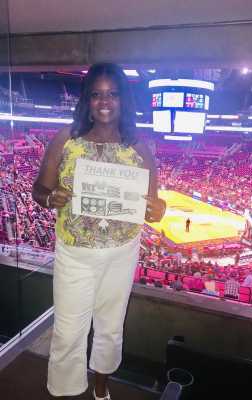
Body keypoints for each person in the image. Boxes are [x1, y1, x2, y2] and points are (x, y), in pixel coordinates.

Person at [32, 63, 166, 400]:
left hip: (122, 252)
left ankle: (101, 388)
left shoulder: (139, 148)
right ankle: (65, 392)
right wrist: (51, 198)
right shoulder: (67, 140)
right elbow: (39, 190)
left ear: (123, 100)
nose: (104, 101)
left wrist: (157, 210)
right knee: (67, 331)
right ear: (86, 100)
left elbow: (155, 205)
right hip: (75, 253)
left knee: (109, 327)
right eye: (96, 94)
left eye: (112, 94)